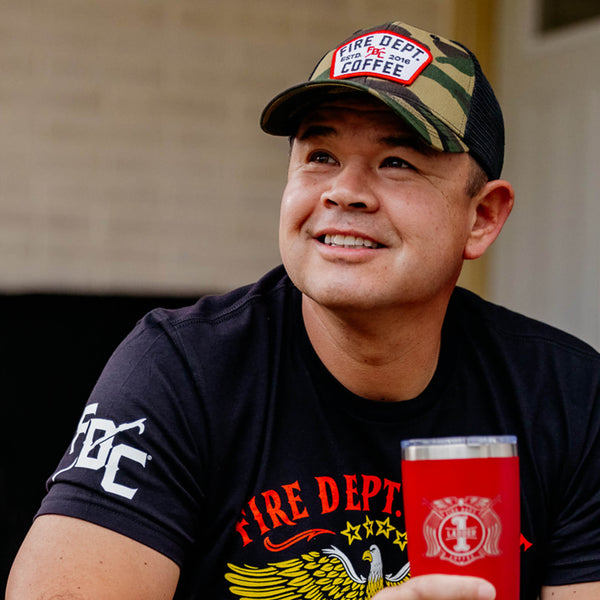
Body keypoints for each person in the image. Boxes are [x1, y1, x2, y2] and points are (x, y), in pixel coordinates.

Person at [6, 20, 600, 600]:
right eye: (319, 154)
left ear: (483, 217)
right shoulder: (181, 369)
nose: (343, 190)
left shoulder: (568, 396)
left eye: (397, 162)